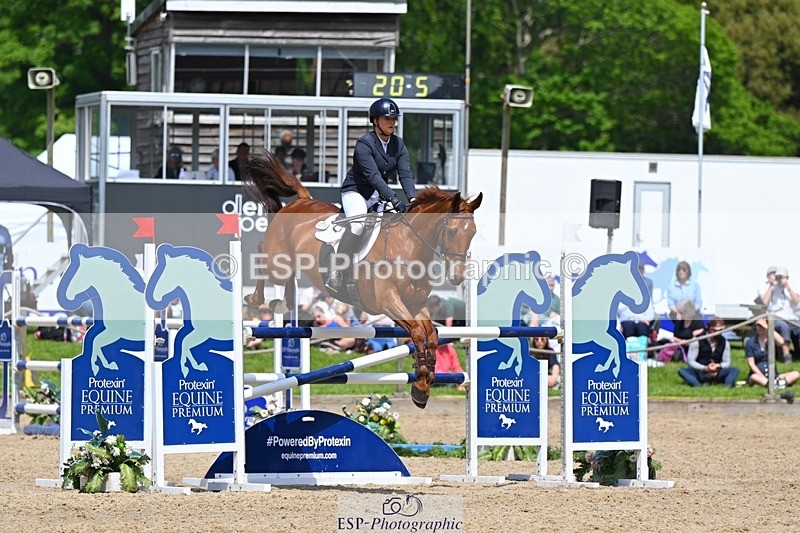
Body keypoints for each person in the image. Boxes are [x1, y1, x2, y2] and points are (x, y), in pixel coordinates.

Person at [324, 97, 418, 293]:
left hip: (378, 195)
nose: (392, 122)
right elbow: (373, 176)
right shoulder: (364, 144)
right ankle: (337, 270)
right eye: (387, 119)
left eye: (394, 119)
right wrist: (394, 199)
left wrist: (413, 199)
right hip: (357, 192)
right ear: (375, 121)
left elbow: (405, 174)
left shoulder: (398, 144)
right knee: (358, 225)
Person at [746, 318, 798, 401]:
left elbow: (781, 342)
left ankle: (775, 384)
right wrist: (762, 376)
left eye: (761, 326)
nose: (759, 328)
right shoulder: (751, 342)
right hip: (758, 374)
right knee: (754, 377)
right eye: (757, 326)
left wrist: (769, 328)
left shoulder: (771, 341)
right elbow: (751, 364)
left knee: (796, 374)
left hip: (774, 375)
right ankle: (778, 384)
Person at [678, 317, 739, 387]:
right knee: (682, 371)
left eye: (722, 330)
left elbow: (727, 362)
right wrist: (705, 368)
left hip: (716, 372)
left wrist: (718, 366)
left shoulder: (725, 342)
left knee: (734, 370)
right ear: (711, 329)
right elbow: (691, 361)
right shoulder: (697, 340)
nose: (721, 332)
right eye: (718, 330)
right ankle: (698, 385)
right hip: (700, 372)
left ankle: (727, 386)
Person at [759, 266, 800, 363]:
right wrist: (771, 286)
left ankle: (798, 353)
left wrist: (787, 286)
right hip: (776, 318)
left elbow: (797, 301)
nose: (778, 279)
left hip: (792, 318)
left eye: (781, 277)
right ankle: (787, 356)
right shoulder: (767, 287)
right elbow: (764, 303)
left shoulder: (792, 286)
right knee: (784, 327)